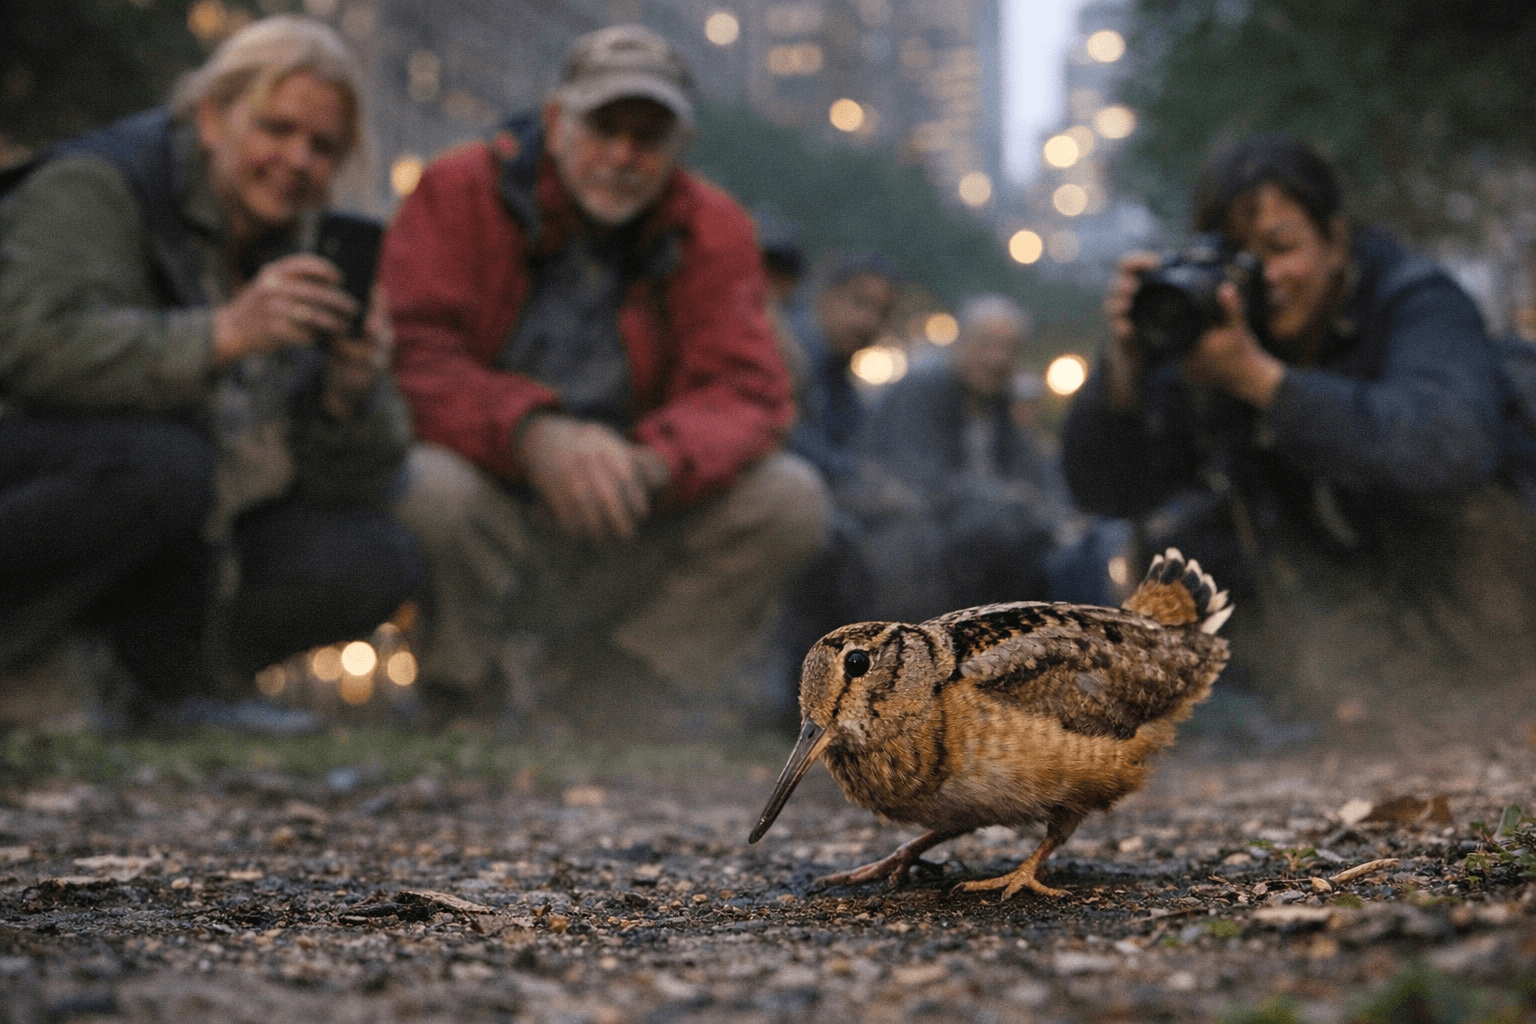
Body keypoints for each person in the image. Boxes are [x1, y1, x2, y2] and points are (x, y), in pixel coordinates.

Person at [382, 25, 829, 735]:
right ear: (557, 121)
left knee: (793, 498)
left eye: (648, 137)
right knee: (425, 485)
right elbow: (413, 356)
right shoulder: (458, 189)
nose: (623, 156)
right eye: (604, 127)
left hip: (634, 509)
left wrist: (653, 463)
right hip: (493, 500)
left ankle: (620, 687)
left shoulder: (714, 227)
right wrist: (532, 433)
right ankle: (462, 690)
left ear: (678, 149)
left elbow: (752, 392)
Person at [0, 15, 421, 732]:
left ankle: (167, 686)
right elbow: (28, 346)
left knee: (372, 554)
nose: (298, 160)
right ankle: (30, 664)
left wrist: (349, 396)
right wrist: (222, 335)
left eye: (323, 147)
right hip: (41, 471)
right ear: (212, 116)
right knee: (162, 464)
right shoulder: (98, 185)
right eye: (276, 128)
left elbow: (361, 479)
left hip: (186, 537)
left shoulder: (292, 245)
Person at [1061, 133, 1536, 726]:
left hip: (1495, 597)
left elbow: (1445, 449)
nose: (1264, 278)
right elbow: (1109, 493)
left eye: (1280, 247)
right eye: (1236, 258)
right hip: (1347, 629)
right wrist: (1124, 371)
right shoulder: (1220, 341)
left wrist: (1264, 382)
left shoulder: (1417, 302)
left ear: (1336, 240)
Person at [860, 294, 1116, 610]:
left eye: (1009, 349)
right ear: (961, 344)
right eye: (986, 344)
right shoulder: (921, 392)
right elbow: (924, 484)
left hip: (984, 540)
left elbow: (1035, 473)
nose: (997, 358)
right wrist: (1019, 504)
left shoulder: (1000, 405)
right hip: (920, 540)